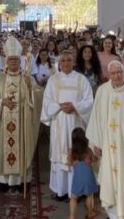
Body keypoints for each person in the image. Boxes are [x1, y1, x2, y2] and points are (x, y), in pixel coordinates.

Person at [87, 60, 124, 219]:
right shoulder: (102, 91)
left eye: (119, 72)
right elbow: (96, 118)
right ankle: (112, 213)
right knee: (110, 179)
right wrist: (96, 143)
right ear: (108, 75)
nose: (116, 76)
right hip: (107, 145)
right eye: (113, 73)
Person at [0, 36, 40, 192]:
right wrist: (2, 102)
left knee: (20, 148)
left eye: (16, 60)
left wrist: (30, 89)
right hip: (4, 121)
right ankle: (3, 180)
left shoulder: (27, 78)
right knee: (4, 149)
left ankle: (20, 180)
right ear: (6, 62)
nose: (14, 63)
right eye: (11, 60)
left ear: (20, 61)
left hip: (22, 121)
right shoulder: (0, 78)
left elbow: (36, 96)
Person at [40, 50, 94, 201]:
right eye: (62, 60)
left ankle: (79, 190)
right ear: (59, 63)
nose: (65, 63)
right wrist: (59, 106)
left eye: (69, 60)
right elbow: (47, 101)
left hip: (76, 123)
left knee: (78, 153)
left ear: (74, 62)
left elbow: (89, 101)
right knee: (60, 156)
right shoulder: (53, 80)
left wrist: (75, 106)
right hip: (59, 122)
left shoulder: (81, 79)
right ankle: (61, 190)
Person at [68, 128, 98, 219]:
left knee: (73, 197)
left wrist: (74, 162)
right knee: (89, 195)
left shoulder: (72, 151)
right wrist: (94, 157)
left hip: (78, 178)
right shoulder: (88, 150)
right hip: (88, 177)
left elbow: (70, 162)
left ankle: (72, 216)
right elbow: (94, 160)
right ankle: (90, 213)